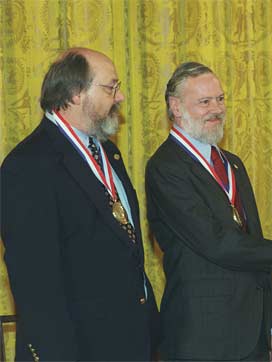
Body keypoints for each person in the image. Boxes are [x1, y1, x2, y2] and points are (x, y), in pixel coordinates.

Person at [0, 48, 159, 361]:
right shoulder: (28, 165)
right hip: (77, 348)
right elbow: (35, 283)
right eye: (110, 87)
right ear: (75, 94)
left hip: (129, 342)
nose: (121, 96)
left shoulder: (109, 153)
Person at [145, 62, 272, 362]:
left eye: (220, 99)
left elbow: (254, 240)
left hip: (252, 334)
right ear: (176, 107)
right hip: (202, 337)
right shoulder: (166, 168)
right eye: (204, 102)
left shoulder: (233, 163)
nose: (216, 109)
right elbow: (218, 242)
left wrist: (270, 327)